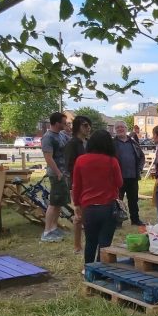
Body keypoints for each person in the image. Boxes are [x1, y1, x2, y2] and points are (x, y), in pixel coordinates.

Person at [71, 129, 123, 264]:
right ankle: (101, 271)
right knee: (105, 243)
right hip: (108, 206)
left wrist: (76, 204)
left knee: (90, 241)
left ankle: (88, 269)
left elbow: (76, 185)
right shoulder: (112, 161)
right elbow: (119, 182)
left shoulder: (81, 160)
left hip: (88, 207)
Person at [40, 112, 70, 242]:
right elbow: (48, 158)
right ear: (57, 123)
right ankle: (47, 232)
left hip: (63, 174)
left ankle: (53, 228)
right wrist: (58, 172)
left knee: (59, 203)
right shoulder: (48, 137)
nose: (66, 124)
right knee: (53, 203)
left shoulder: (62, 135)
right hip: (56, 174)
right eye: (64, 122)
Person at [64, 115, 92, 252]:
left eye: (89, 125)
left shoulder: (88, 142)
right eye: (85, 125)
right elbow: (69, 166)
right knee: (79, 214)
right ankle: (77, 245)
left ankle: (88, 243)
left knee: (87, 214)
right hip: (76, 183)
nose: (88, 128)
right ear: (77, 127)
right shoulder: (72, 143)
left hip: (90, 183)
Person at [113, 121, 146, 226]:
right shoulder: (112, 143)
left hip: (133, 176)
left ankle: (135, 220)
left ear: (126, 128)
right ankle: (118, 222)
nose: (120, 129)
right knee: (118, 201)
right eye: (117, 127)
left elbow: (141, 156)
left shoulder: (133, 142)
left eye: (122, 127)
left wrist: (140, 169)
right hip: (118, 178)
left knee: (133, 200)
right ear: (115, 130)